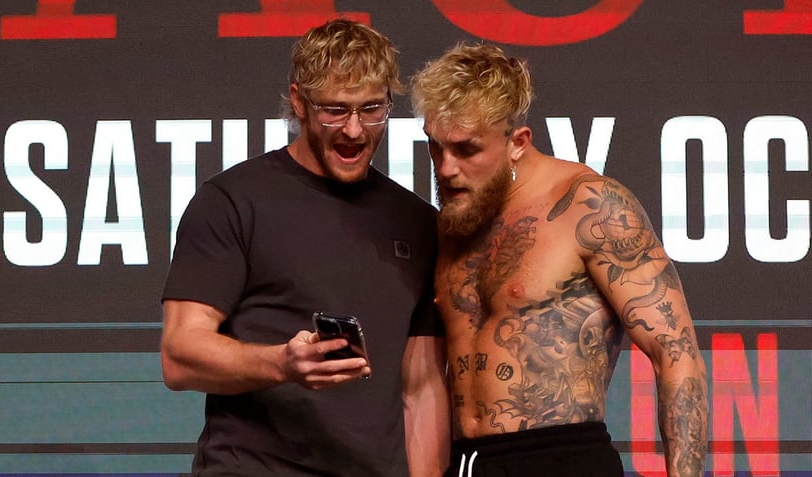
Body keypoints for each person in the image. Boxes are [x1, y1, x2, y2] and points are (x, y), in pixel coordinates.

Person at [160, 19, 449, 476]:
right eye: (335, 109)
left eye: (372, 109)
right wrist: (282, 363)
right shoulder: (233, 202)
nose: (355, 130)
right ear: (299, 102)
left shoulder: (419, 222)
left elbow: (421, 389)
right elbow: (179, 356)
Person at [410, 43, 709, 477]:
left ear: (517, 142)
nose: (446, 168)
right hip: (467, 463)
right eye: (435, 148)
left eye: (466, 150)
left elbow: (676, 354)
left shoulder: (589, 206)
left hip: (562, 458)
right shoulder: (453, 224)